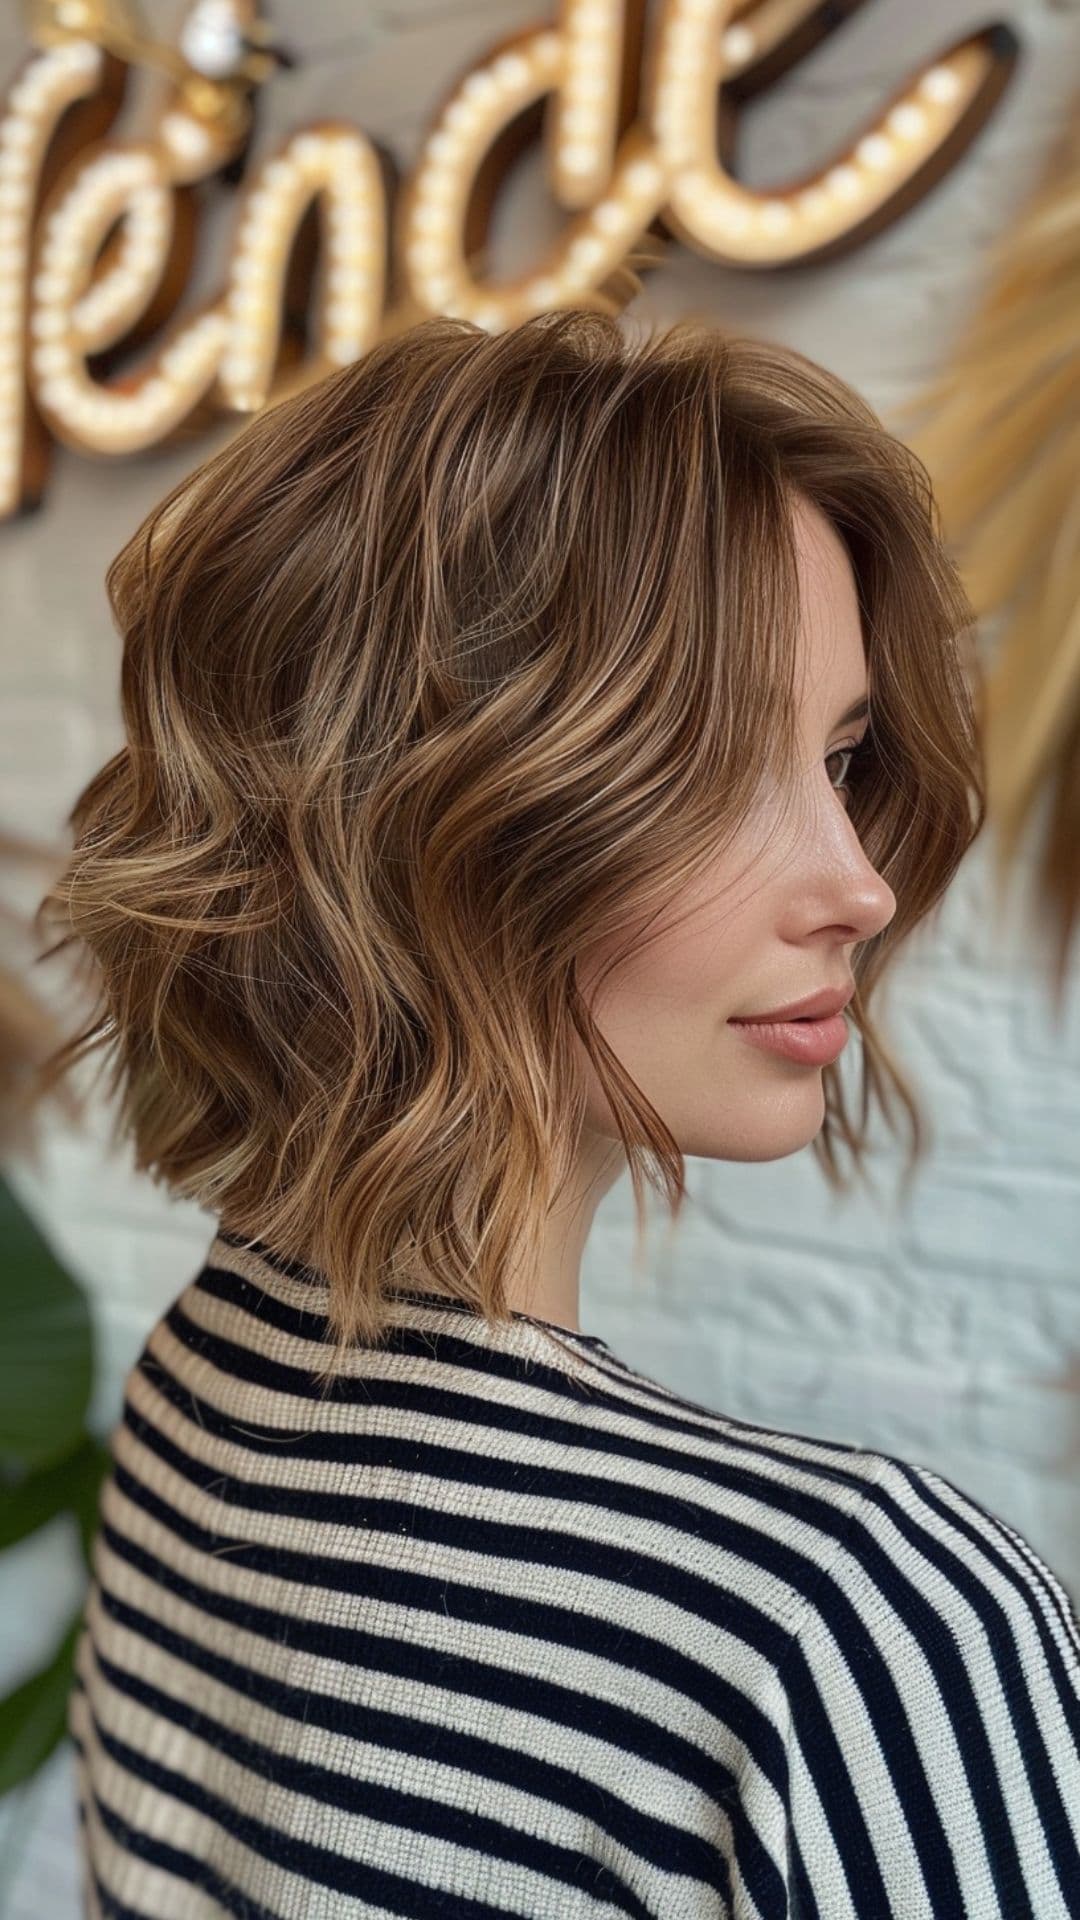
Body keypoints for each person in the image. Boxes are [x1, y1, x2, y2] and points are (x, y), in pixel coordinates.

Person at [36, 310, 1079, 1916]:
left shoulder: (207, 1375)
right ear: (422, 815)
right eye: (719, 773)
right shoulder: (847, 1628)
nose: (863, 885)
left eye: (847, 755)